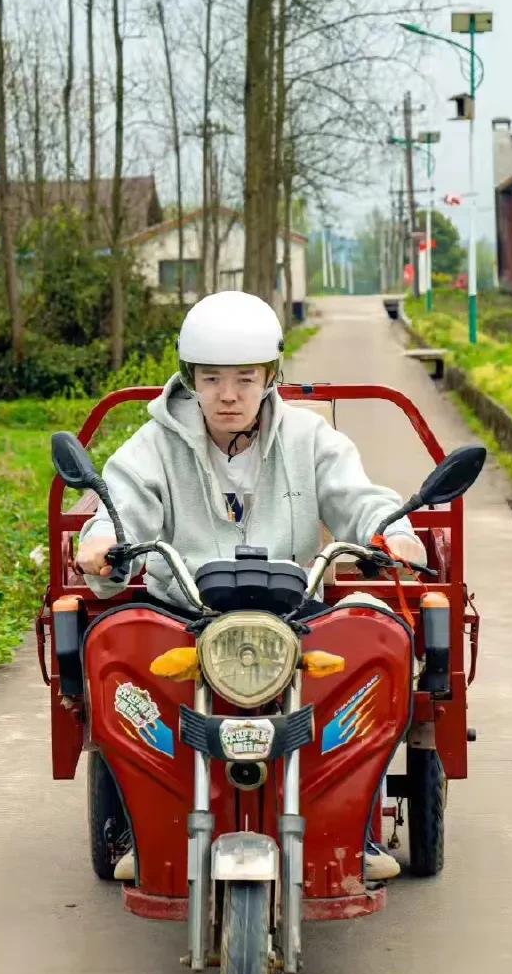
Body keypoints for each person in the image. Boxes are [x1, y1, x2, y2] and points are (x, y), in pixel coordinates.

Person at [75, 290, 426, 883]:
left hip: (295, 610)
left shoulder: (309, 438)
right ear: (190, 378)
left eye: (245, 377)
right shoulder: (153, 445)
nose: (229, 395)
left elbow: (356, 495)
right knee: (114, 645)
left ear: (271, 375)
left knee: (378, 642)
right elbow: (121, 506)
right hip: (182, 609)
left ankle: (353, 821)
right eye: (211, 379)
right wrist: (104, 541)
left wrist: (390, 531)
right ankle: (146, 822)